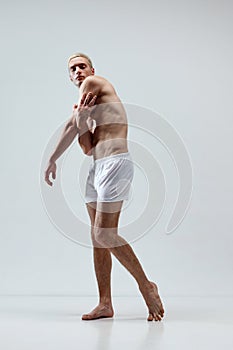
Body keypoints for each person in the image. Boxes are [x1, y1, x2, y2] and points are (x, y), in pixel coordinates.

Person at [44, 53, 164, 321]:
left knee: (105, 234)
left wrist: (53, 158)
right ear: (69, 76)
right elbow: (87, 148)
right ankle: (105, 303)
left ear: (92, 69)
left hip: (115, 164)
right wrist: (82, 121)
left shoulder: (95, 83)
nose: (77, 71)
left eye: (81, 66)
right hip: (96, 167)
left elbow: (69, 127)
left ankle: (147, 286)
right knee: (97, 239)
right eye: (72, 69)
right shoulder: (86, 108)